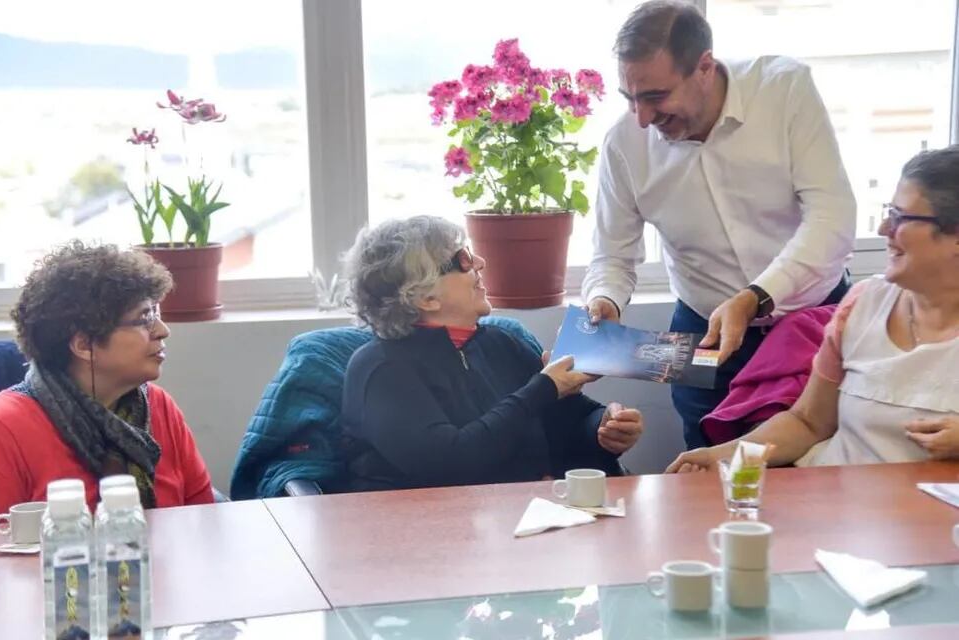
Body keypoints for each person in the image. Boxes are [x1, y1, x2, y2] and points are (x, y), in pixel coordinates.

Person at [581, 0, 856, 449]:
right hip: (702, 335)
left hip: (811, 322)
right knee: (704, 472)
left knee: (817, 473)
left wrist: (754, 298)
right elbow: (612, 255)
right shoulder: (623, 144)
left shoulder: (784, 89)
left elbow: (833, 217)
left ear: (705, 66)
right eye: (629, 99)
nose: (643, 118)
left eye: (655, 97)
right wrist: (605, 300)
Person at [667, 145, 959, 471]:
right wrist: (720, 457)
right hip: (830, 504)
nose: (882, 230)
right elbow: (808, 422)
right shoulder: (862, 304)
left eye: (900, 218)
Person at [340, 216, 644, 491]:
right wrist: (543, 388)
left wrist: (605, 429)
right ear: (425, 297)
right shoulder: (381, 370)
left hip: (517, 523)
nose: (480, 262)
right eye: (463, 260)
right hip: (420, 535)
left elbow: (567, 424)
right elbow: (451, 465)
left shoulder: (502, 343)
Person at [0, 241, 214, 521]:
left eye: (157, 313)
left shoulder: (159, 406)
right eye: (144, 318)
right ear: (84, 345)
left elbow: (203, 520)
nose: (162, 331)